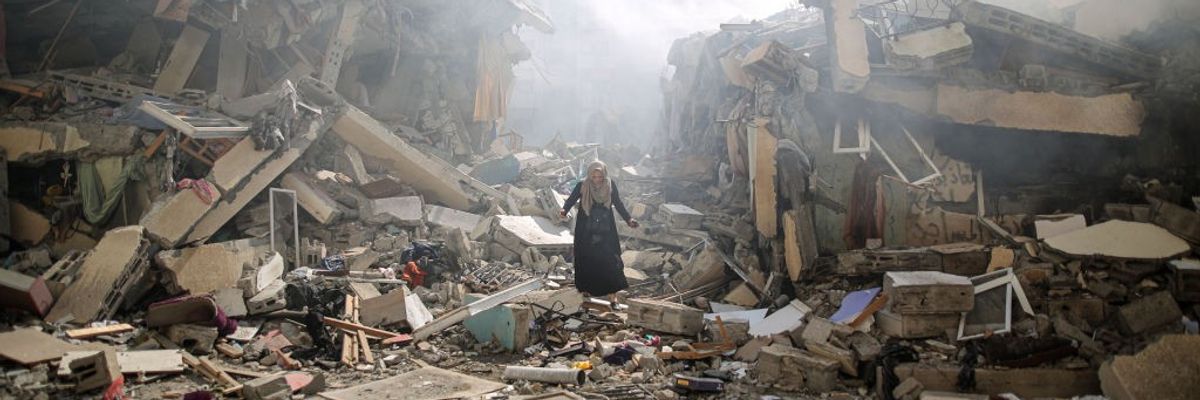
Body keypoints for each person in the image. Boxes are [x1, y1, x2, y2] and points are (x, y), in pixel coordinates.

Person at [560, 161, 639, 305]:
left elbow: (618, 203)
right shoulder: (582, 185)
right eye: (594, 177)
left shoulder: (610, 185)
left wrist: (628, 219)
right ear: (590, 175)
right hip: (585, 229)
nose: (597, 180)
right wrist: (564, 210)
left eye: (600, 177)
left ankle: (612, 297)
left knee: (610, 260)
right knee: (585, 259)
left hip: (606, 230)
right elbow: (571, 200)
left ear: (604, 175)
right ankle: (585, 292)